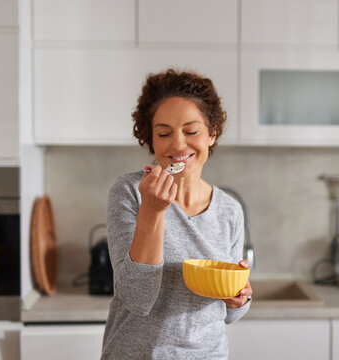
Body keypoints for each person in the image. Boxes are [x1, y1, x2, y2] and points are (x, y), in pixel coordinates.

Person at [101, 69, 252, 359]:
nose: (178, 144)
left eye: (191, 131)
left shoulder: (229, 210)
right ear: (151, 139)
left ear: (212, 133)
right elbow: (137, 299)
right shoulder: (130, 192)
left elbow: (230, 314)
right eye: (164, 133)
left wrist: (238, 298)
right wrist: (152, 212)